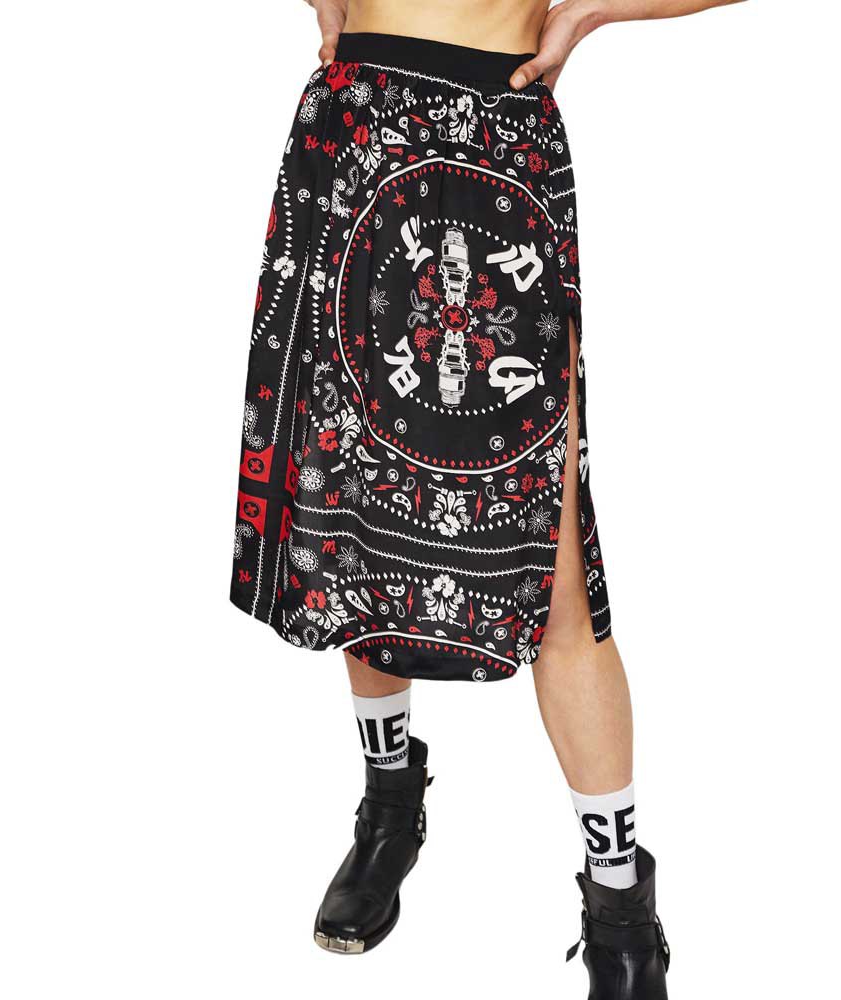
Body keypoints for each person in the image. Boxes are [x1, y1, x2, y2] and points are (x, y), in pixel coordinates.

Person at [231, 2, 741, 996]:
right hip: (357, 127)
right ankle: (390, 804)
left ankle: (621, 916)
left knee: (555, 567)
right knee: (355, 516)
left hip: (495, 140)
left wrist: (590, 11)